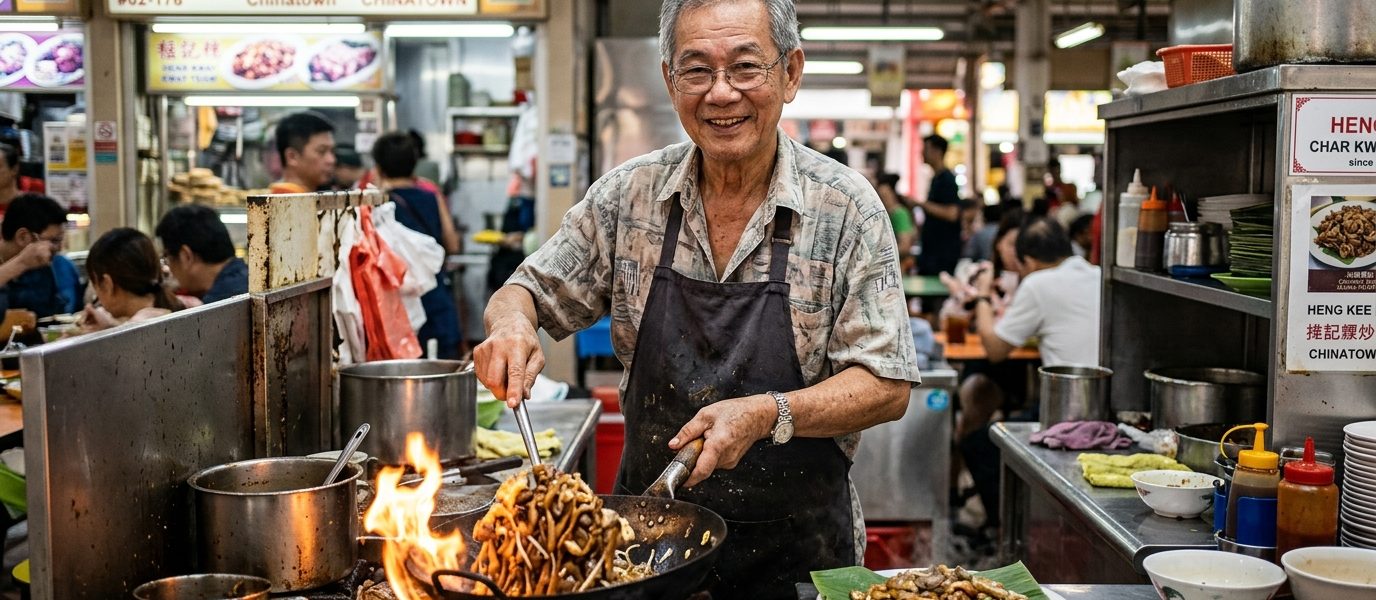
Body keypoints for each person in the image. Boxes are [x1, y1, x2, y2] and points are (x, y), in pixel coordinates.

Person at [474, 1, 920, 597]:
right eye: (697, 71)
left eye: (745, 67)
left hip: (800, 561)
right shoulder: (629, 196)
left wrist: (768, 413)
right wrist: (511, 325)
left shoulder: (846, 210)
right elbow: (527, 290)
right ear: (669, 80)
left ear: (790, 73)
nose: (721, 94)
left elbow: (886, 385)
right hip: (645, 553)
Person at [371, 131, 463, 359]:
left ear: (379, 168)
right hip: (435, 298)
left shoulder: (378, 205)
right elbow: (452, 245)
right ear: (414, 166)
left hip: (398, 305)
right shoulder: (431, 196)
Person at [77, 228, 184, 333]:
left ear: (106, 284)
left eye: (95, 287)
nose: (97, 300)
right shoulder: (184, 310)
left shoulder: (133, 332)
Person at [155, 204, 248, 304]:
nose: (169, 268)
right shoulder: (250, 278)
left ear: (186, 256)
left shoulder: (217, 305)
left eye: (167, 257)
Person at [0, 194, 69, 318]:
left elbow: (54, 313)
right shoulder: (30, 261)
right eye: (53, 241)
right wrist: (20, 263)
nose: (58, 248)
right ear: (23, 237)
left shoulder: (42, 266)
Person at [915, 134, 963, 278]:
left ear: (937, 151)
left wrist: (921, 204)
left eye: (926, 149)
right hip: (932, 252)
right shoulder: (936, 179)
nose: (922, 153)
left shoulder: (947, 180)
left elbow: (952, 213)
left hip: (942, 255)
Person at [269, 111, 336, 194]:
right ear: (292, 157)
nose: (331, 160)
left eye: (332, 152)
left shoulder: (314, 200)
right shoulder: (279, 204)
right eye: (321, 151)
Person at [876, 172, 915, 273]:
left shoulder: (899, 214)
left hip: (898, 269)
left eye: (882, 194)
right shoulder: (887, 214)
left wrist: (878, 255)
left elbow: (905, 246)